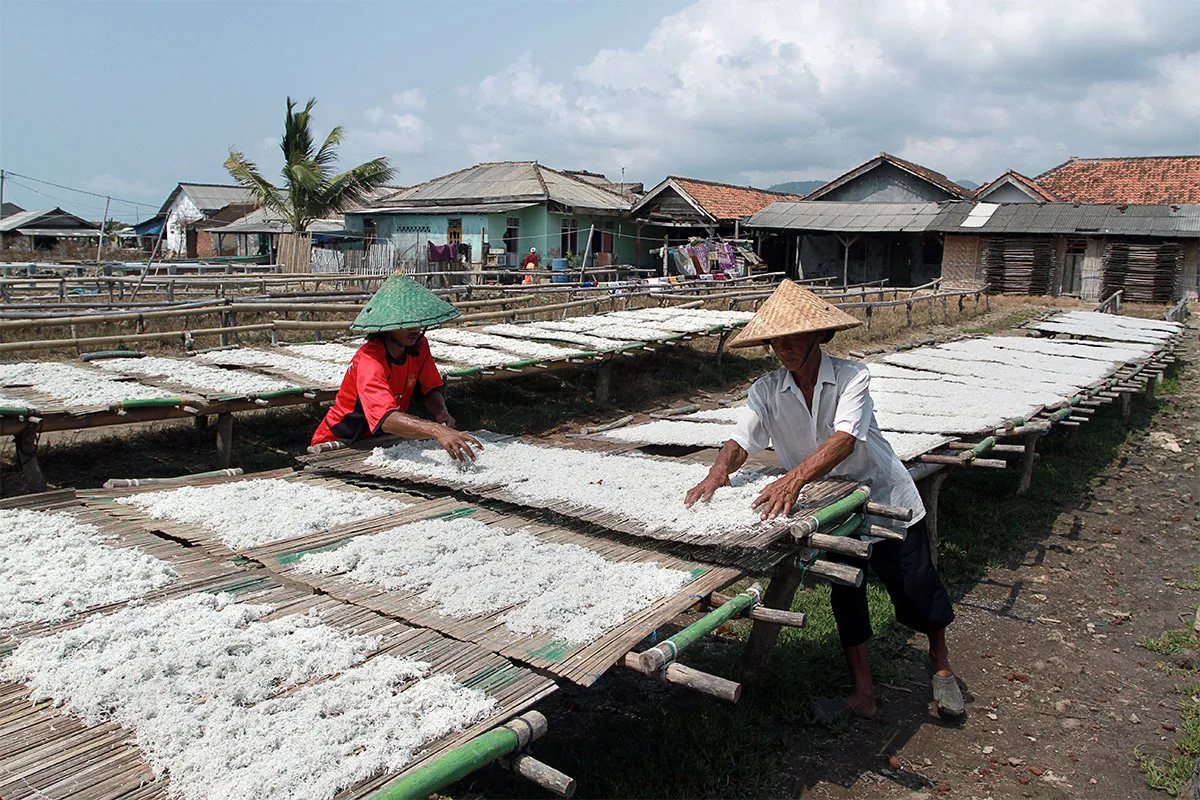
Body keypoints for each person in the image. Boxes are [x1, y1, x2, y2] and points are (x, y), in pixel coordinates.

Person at [684, 279, 963, 722]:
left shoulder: (852, 377)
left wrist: (793, 478)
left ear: (820, 335)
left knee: (915, 589)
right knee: (846, 596)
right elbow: (740, 441)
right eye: (776, 341)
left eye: (793, 337)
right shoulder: (766, 391)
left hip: (884, 496)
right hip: (832, 507)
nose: (784, 348)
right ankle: (863, 693)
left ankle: (940, 661)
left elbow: (845, 440)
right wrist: (718, 472)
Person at [311, 274, 482, 463]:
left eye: (417, 322)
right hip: (343, 440)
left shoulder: (419, 346)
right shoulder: (370, 360)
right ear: (388, 327)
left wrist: (441, 413)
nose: (415, 328)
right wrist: (436, 430)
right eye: (406, 323)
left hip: (380, 441)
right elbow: (386, 419)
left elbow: (429, 388)